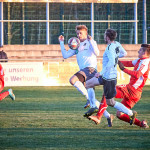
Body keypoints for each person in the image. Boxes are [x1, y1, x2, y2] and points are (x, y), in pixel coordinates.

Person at [58, 25, 113, 125]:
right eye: (77, 33)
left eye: (81, 33)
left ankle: (88, 99)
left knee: (72, 80)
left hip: (90, 69)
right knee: (93, 99)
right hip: (84, 71)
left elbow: (97, 52)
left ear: (86, 33)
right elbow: (65, 55)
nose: (79, 35)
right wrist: (61, 42)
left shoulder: (90, 42)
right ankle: (108, 116)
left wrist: (91, 41)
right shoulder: (76, 45)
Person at [84, 28, 137, 125]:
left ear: (107, 37)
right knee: (87, 84)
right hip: (106, 77)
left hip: (109, 78)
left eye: (105, 35)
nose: (104, 36)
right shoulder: (117, 43)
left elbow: (112, 61)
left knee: (110, 102)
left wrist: (101, 72)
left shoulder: (109, 48)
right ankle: (93, 106)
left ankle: (130, 113)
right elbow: (124, 53)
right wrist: (117, 57)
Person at [89, 44, 150, 128]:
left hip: (132, 89)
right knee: (120, 114)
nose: (138, 51)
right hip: (135, 94)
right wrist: (116, 61)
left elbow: (137, 74)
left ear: (144, 52)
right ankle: (141, 124)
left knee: (108, 92)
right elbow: (129, 63)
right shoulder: (141, 60)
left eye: (140, 50)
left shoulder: (145, 62)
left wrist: (123, 69)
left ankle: (98, 117)